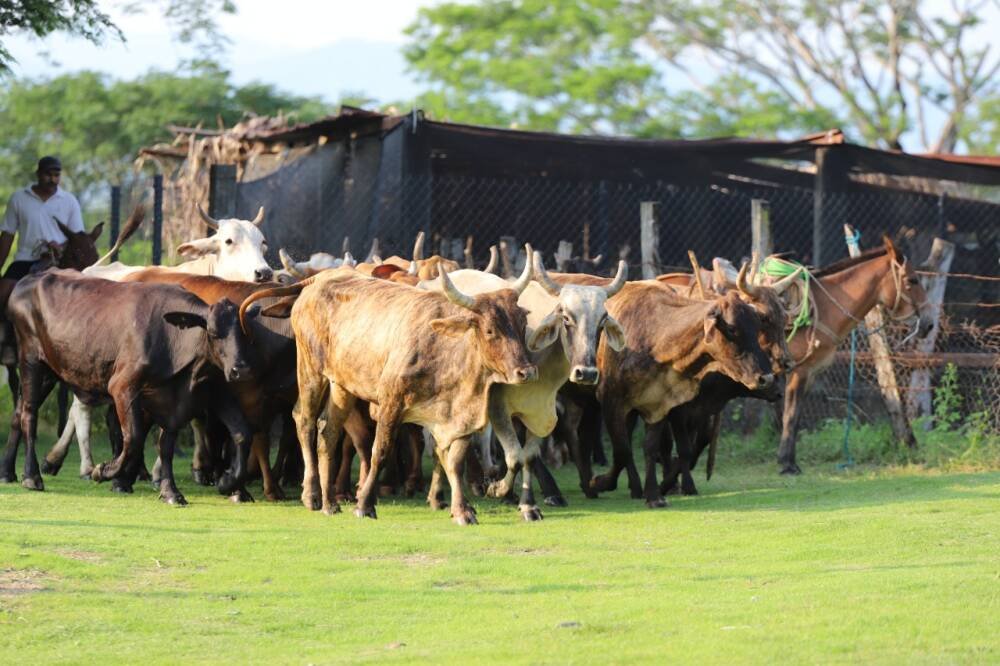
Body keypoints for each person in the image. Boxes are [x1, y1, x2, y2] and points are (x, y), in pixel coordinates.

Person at [0, 156, 85, 279]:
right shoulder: (18, 198)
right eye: (48, 174)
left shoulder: (70, 201)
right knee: (4, 290)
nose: (52, 179)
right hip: (24, 262)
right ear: (38, 174)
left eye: (56, 175)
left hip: (59, 264)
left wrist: (60, 247)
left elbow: (78, 238)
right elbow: (7, 235)